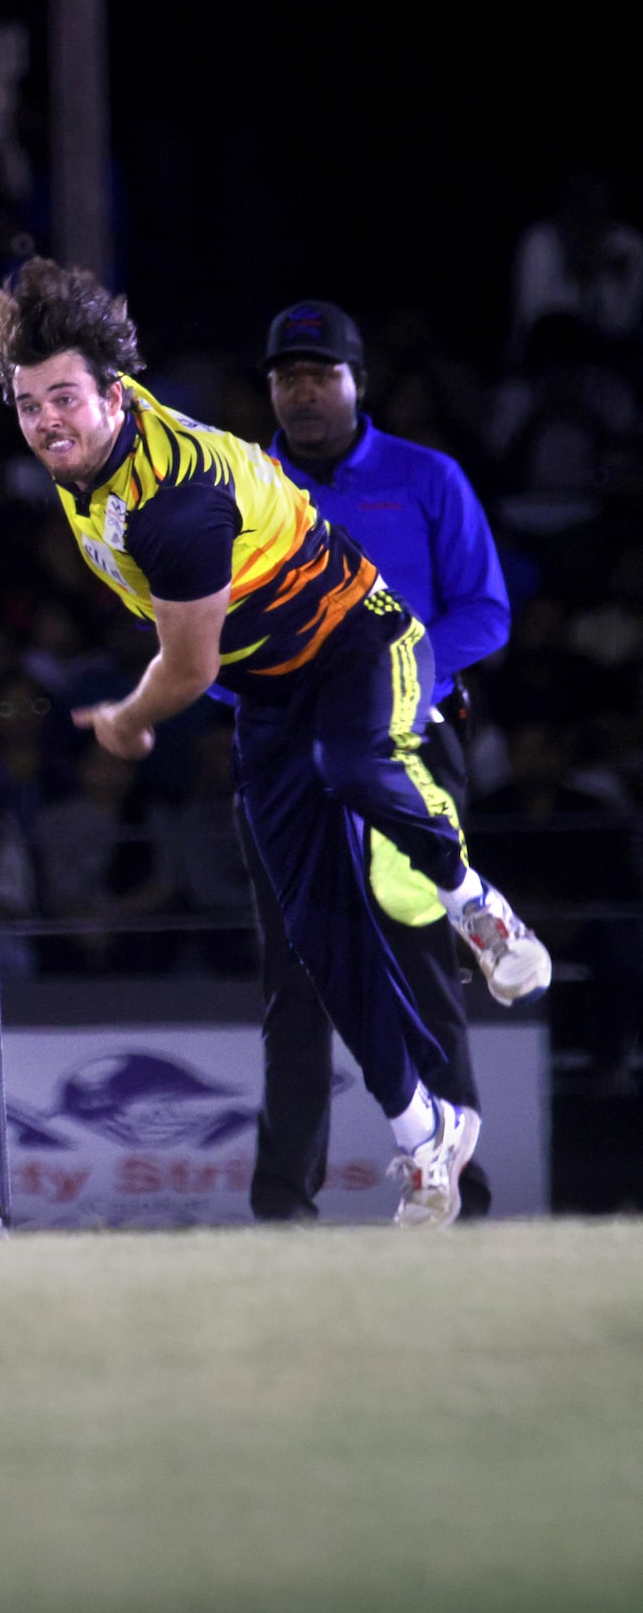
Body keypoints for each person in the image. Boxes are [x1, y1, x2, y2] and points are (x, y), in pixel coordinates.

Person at [0, 185, 547, 1227]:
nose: (46, 420)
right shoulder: (72, 417)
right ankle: (425, 1132)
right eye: (28, 405)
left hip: (358, 644)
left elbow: (183, 672)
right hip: (272, 693)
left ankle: (476, 902)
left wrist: (124, 723)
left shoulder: (171, 507)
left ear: (114, 396)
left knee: (354, 778)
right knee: (314, 933)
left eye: (65, 401)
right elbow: (23, 343)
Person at [245, 301, 512, 1221]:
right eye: (286, 377)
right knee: (295, 977)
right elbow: (195, 636)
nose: (303, 391)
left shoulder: (424, 477)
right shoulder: (239, 485)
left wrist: (389, 685)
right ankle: (282, 1209)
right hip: (283, 748)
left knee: (420, 963)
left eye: (321, 375)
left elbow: (484, 613)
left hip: (405, 745)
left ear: (359, 382)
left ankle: (460, 1192)